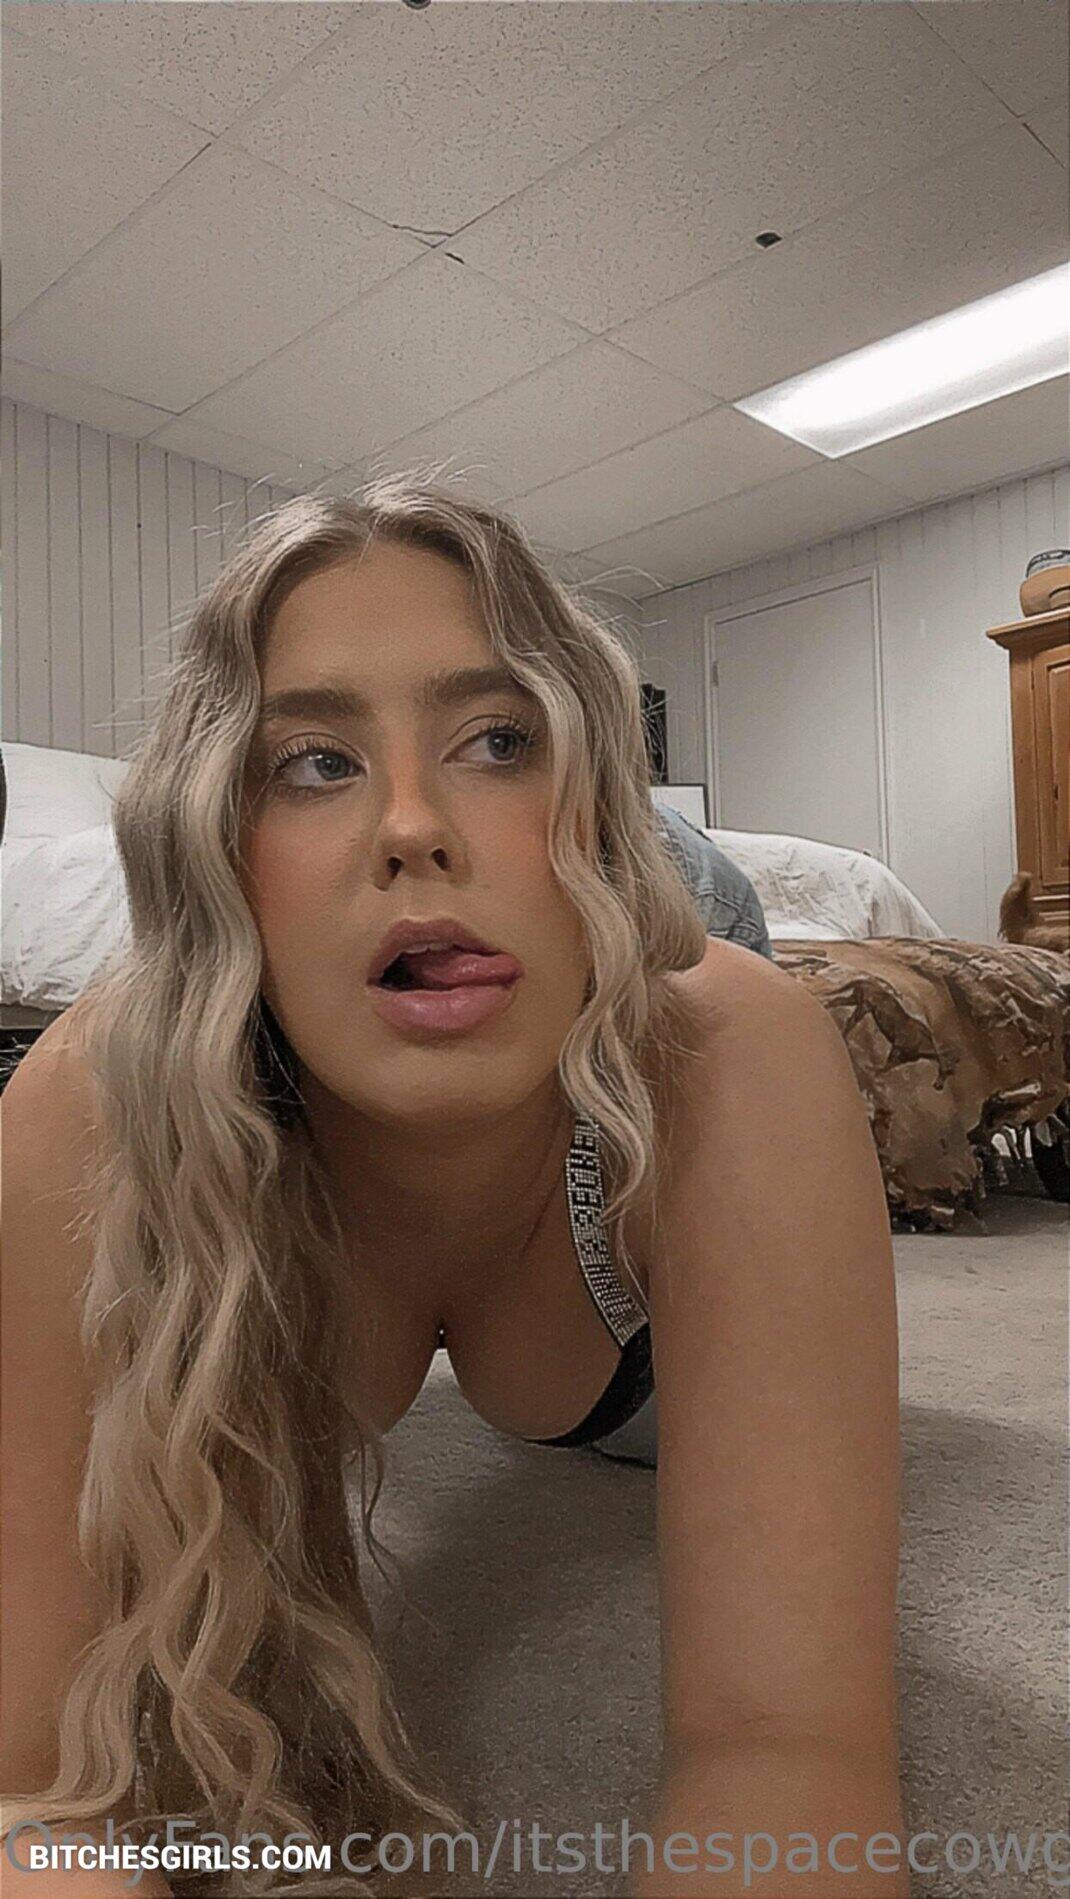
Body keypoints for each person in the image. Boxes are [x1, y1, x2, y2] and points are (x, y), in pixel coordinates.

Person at [2, 480, 906, 1899]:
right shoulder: (95, 1098)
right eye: (313, 762)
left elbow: (792, 1757)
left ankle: (633, 834)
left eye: (499, 739)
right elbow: (36, 1792)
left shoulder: (719, 1051)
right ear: (214, 839)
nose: (412, 823)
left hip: (625, 956)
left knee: (699, 919)